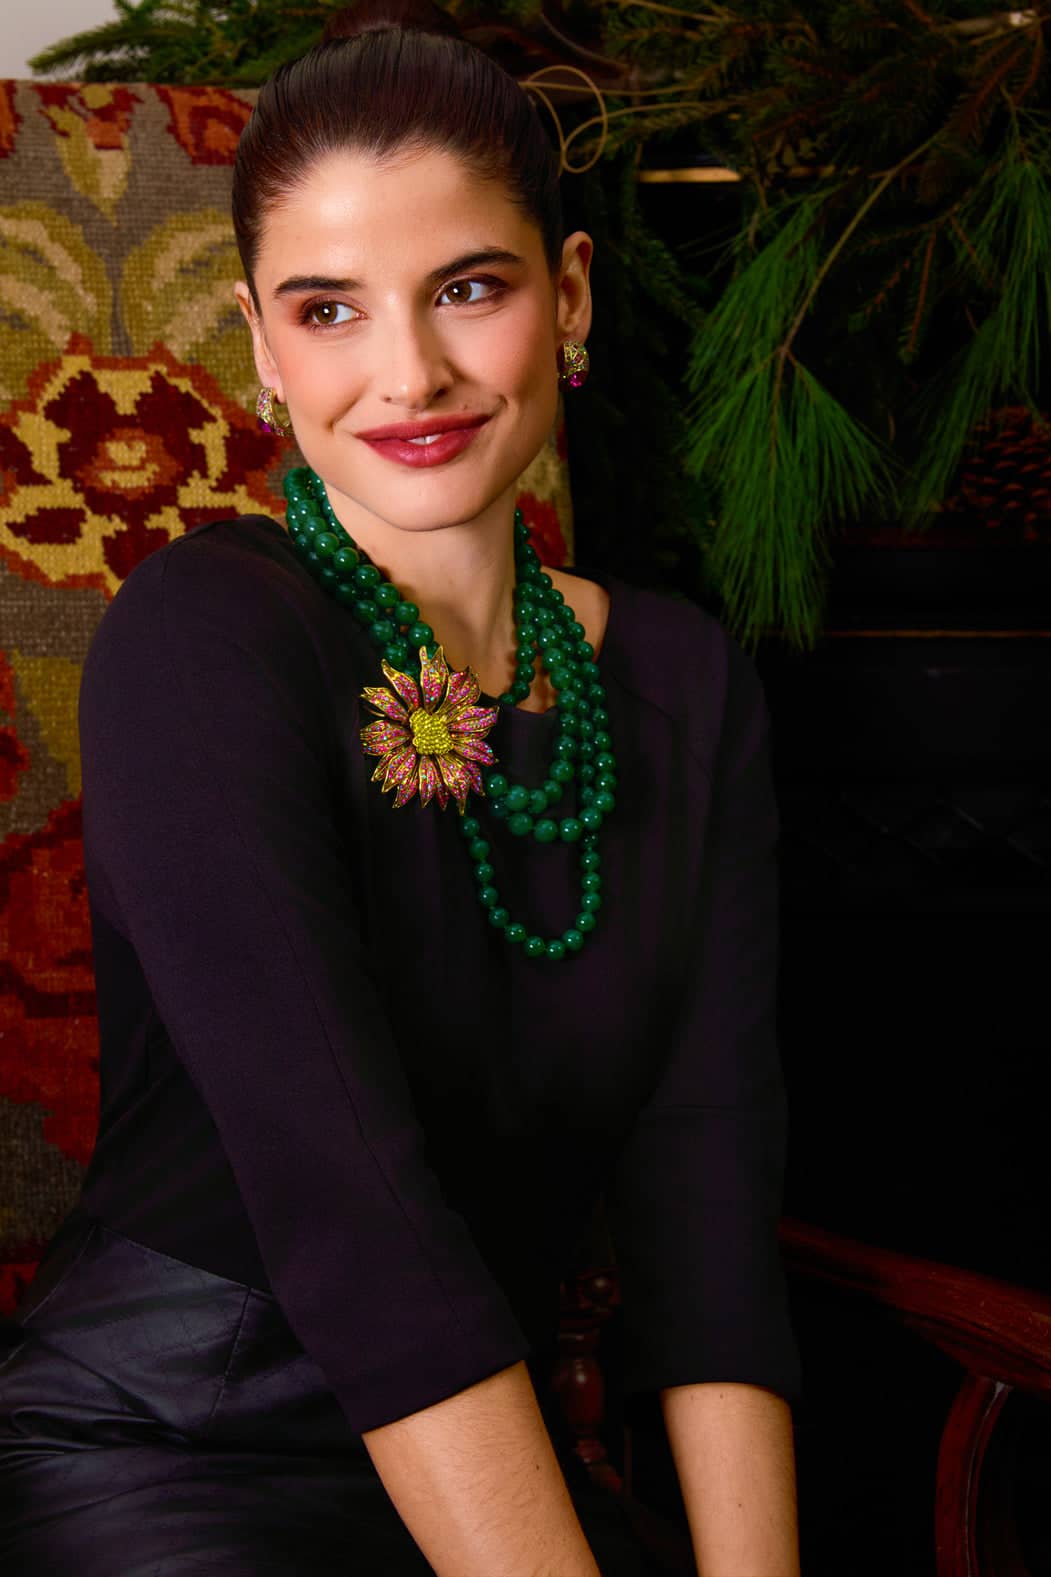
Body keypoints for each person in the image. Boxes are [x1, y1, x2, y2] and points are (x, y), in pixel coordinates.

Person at [0, 2, 802, 1571]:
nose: (410, 371)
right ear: (259, 342)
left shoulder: (689, 686)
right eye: (329, 309)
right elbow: (346, 1210)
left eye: (471, 289)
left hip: (492, 1462)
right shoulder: (204, 640)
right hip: (170, 1446)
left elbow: (710, 1220)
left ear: (567, 295)